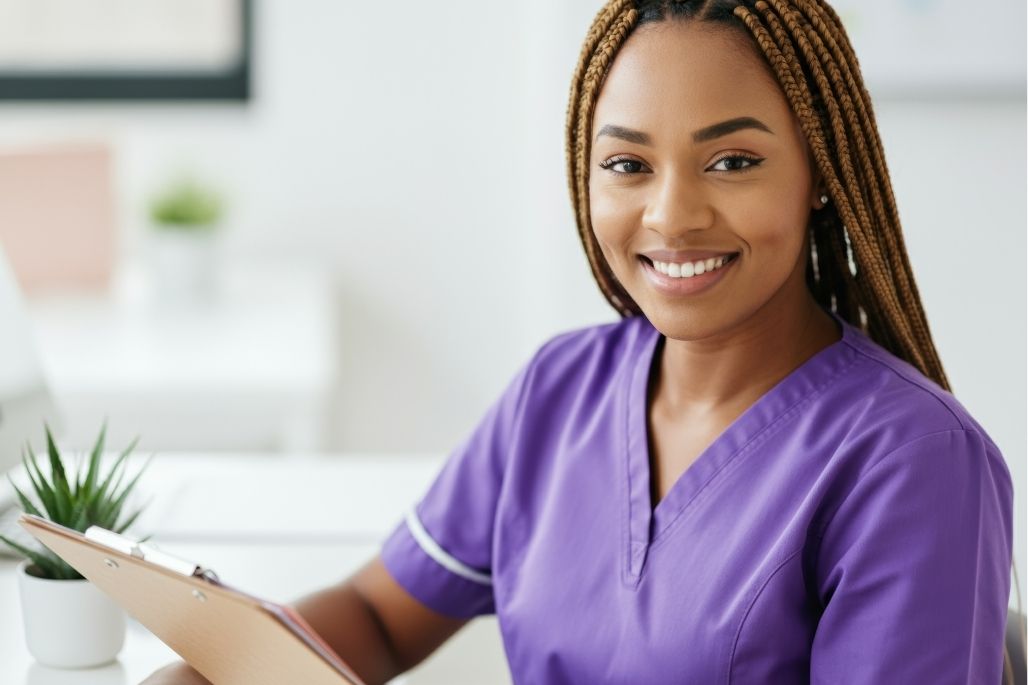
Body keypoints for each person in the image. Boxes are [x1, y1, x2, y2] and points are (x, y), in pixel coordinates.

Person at [143, 0, 1020, 683]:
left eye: (732, 161)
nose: (672, 214)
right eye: (628, 164)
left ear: (819, 171)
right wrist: (214, 669)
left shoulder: (916, 460)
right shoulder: (559, 390)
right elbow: (377, 616)